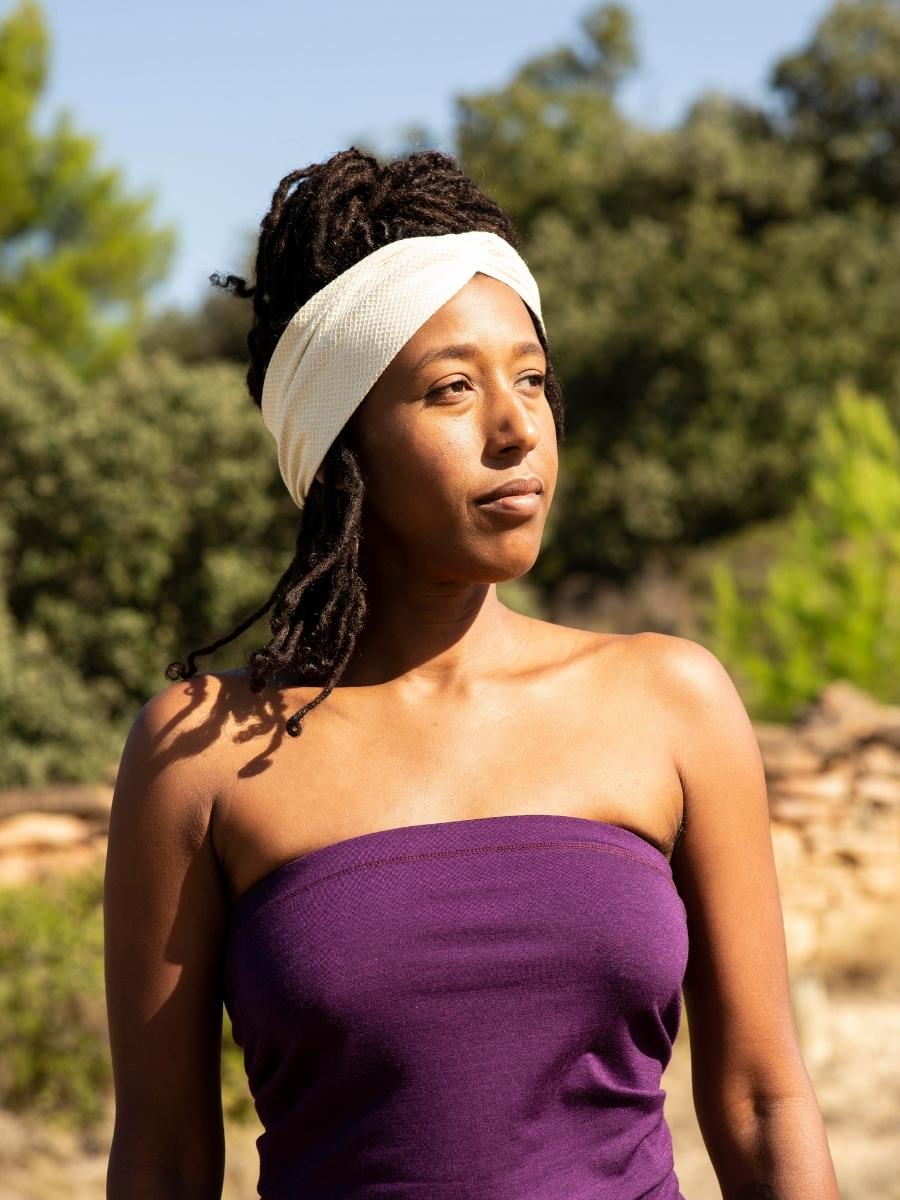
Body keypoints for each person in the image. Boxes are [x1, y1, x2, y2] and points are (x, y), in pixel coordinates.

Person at [103, 147, 840, 1200]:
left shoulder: (670, 703)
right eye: (453, 388)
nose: (517, 428)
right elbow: (164, 1158)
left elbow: (765, 1103)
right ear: (339, 447)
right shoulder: (202, 755)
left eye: (531, 379)